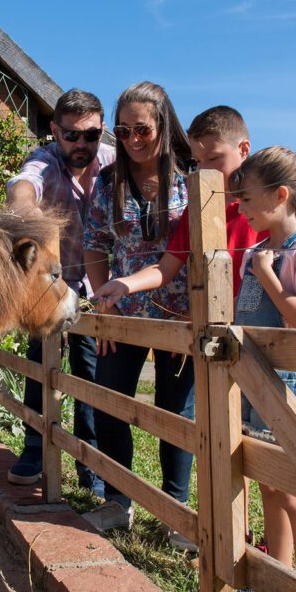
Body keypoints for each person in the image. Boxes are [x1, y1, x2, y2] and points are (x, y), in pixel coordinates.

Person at [81, 81, 197, 552]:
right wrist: (102, 303)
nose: (132, 139)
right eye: (124, 130)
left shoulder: (193, 177)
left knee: (177, 415)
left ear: (164, 125)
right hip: (122, 311)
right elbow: (95, 244)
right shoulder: (109, 183)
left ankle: (176, 512)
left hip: (179, 316)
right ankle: (117, 500)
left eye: (142, 129)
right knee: (110, 403)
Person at [3, 88, 115, 497]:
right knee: (41, 363)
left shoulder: (111, 164)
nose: (82, 144)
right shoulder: (45, 162)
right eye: (71, 136)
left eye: (91, 135)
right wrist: (25, 214)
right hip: (53, 287)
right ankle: (34, 448)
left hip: (97, 288)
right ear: (54, 131)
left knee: (91, 374)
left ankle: (90, 464)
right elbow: (23, 185)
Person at [229, 145, 296, 583]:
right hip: (255, 379)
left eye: (247, 199)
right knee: (269, 484)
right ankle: (278, 580)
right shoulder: (255, 251)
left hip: (289, 383)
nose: (241, 208)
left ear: (280, 195)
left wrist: (269, 275)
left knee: (295, 492)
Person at [91, 105, 264, 308]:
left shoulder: (266, 206)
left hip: (259, 324)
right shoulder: (198, 209)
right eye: (198, 161)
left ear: (243, 149)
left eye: (213, 158)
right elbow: (165, 268)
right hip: (215, 326)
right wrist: (124, 284)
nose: (205, 169)